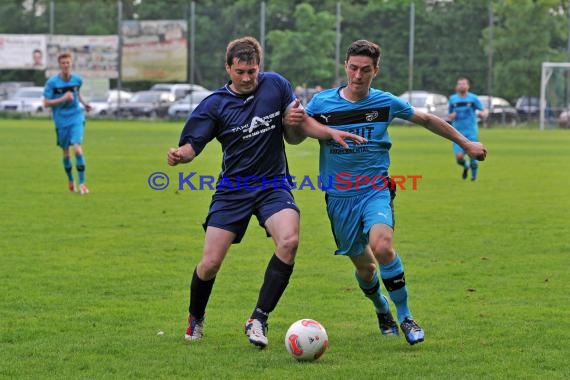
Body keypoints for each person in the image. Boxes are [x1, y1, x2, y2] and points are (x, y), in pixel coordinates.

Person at [167, 36, 364, 348]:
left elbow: (298, 123)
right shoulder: (214, 105)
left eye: (253, 71)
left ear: (260, 68)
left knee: (289, 240)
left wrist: (328, 133)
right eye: (241, 72)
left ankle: (258, 317)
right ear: (228, 68)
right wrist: (181, 155)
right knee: (210, 263)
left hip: (273, 185)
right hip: (233, 189)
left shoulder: (276, 85)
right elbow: (193, 146)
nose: (248, 78)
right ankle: (196, 316)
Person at [289, 40, 487, 345]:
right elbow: (295, 138)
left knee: (381, 247)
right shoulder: (321, 103)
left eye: (365, 70)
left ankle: (406, 315)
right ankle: (382, 307)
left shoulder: (385, 102)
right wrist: (292, 124)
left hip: (375, 189)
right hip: (339, 198)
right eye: (353, 68)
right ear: (346, 66)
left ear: (375, 71)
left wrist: (467, 144)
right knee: (366, 268)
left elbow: (427, 119)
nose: (357, 76)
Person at [43, 52, 92, 194]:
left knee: (77, 149)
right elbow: (46, 103)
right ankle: (71, 180)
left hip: (76, 116)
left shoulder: (77, 80)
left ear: (71, 64)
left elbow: (77, 93)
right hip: (61, 120)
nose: (66, 65)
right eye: (63, 63)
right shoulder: (52, 82)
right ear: (59, 65)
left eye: (68, 63)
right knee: (66, 153)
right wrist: (63, 98)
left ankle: (82, 183)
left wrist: (84, 104)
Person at [448, 77, 488, 181]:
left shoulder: (473, 98)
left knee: (473, 155)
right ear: (457, 86)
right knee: (459, 157)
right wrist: (451, 116)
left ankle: (473, 177)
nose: (462, 86)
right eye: (460, 84)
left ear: (468, 86)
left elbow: (483, 110)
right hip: (457, 132)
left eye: (464, 84)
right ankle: (465, 166)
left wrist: (483, 114)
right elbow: (450, 114)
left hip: (471, 132)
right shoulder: (452, 99)